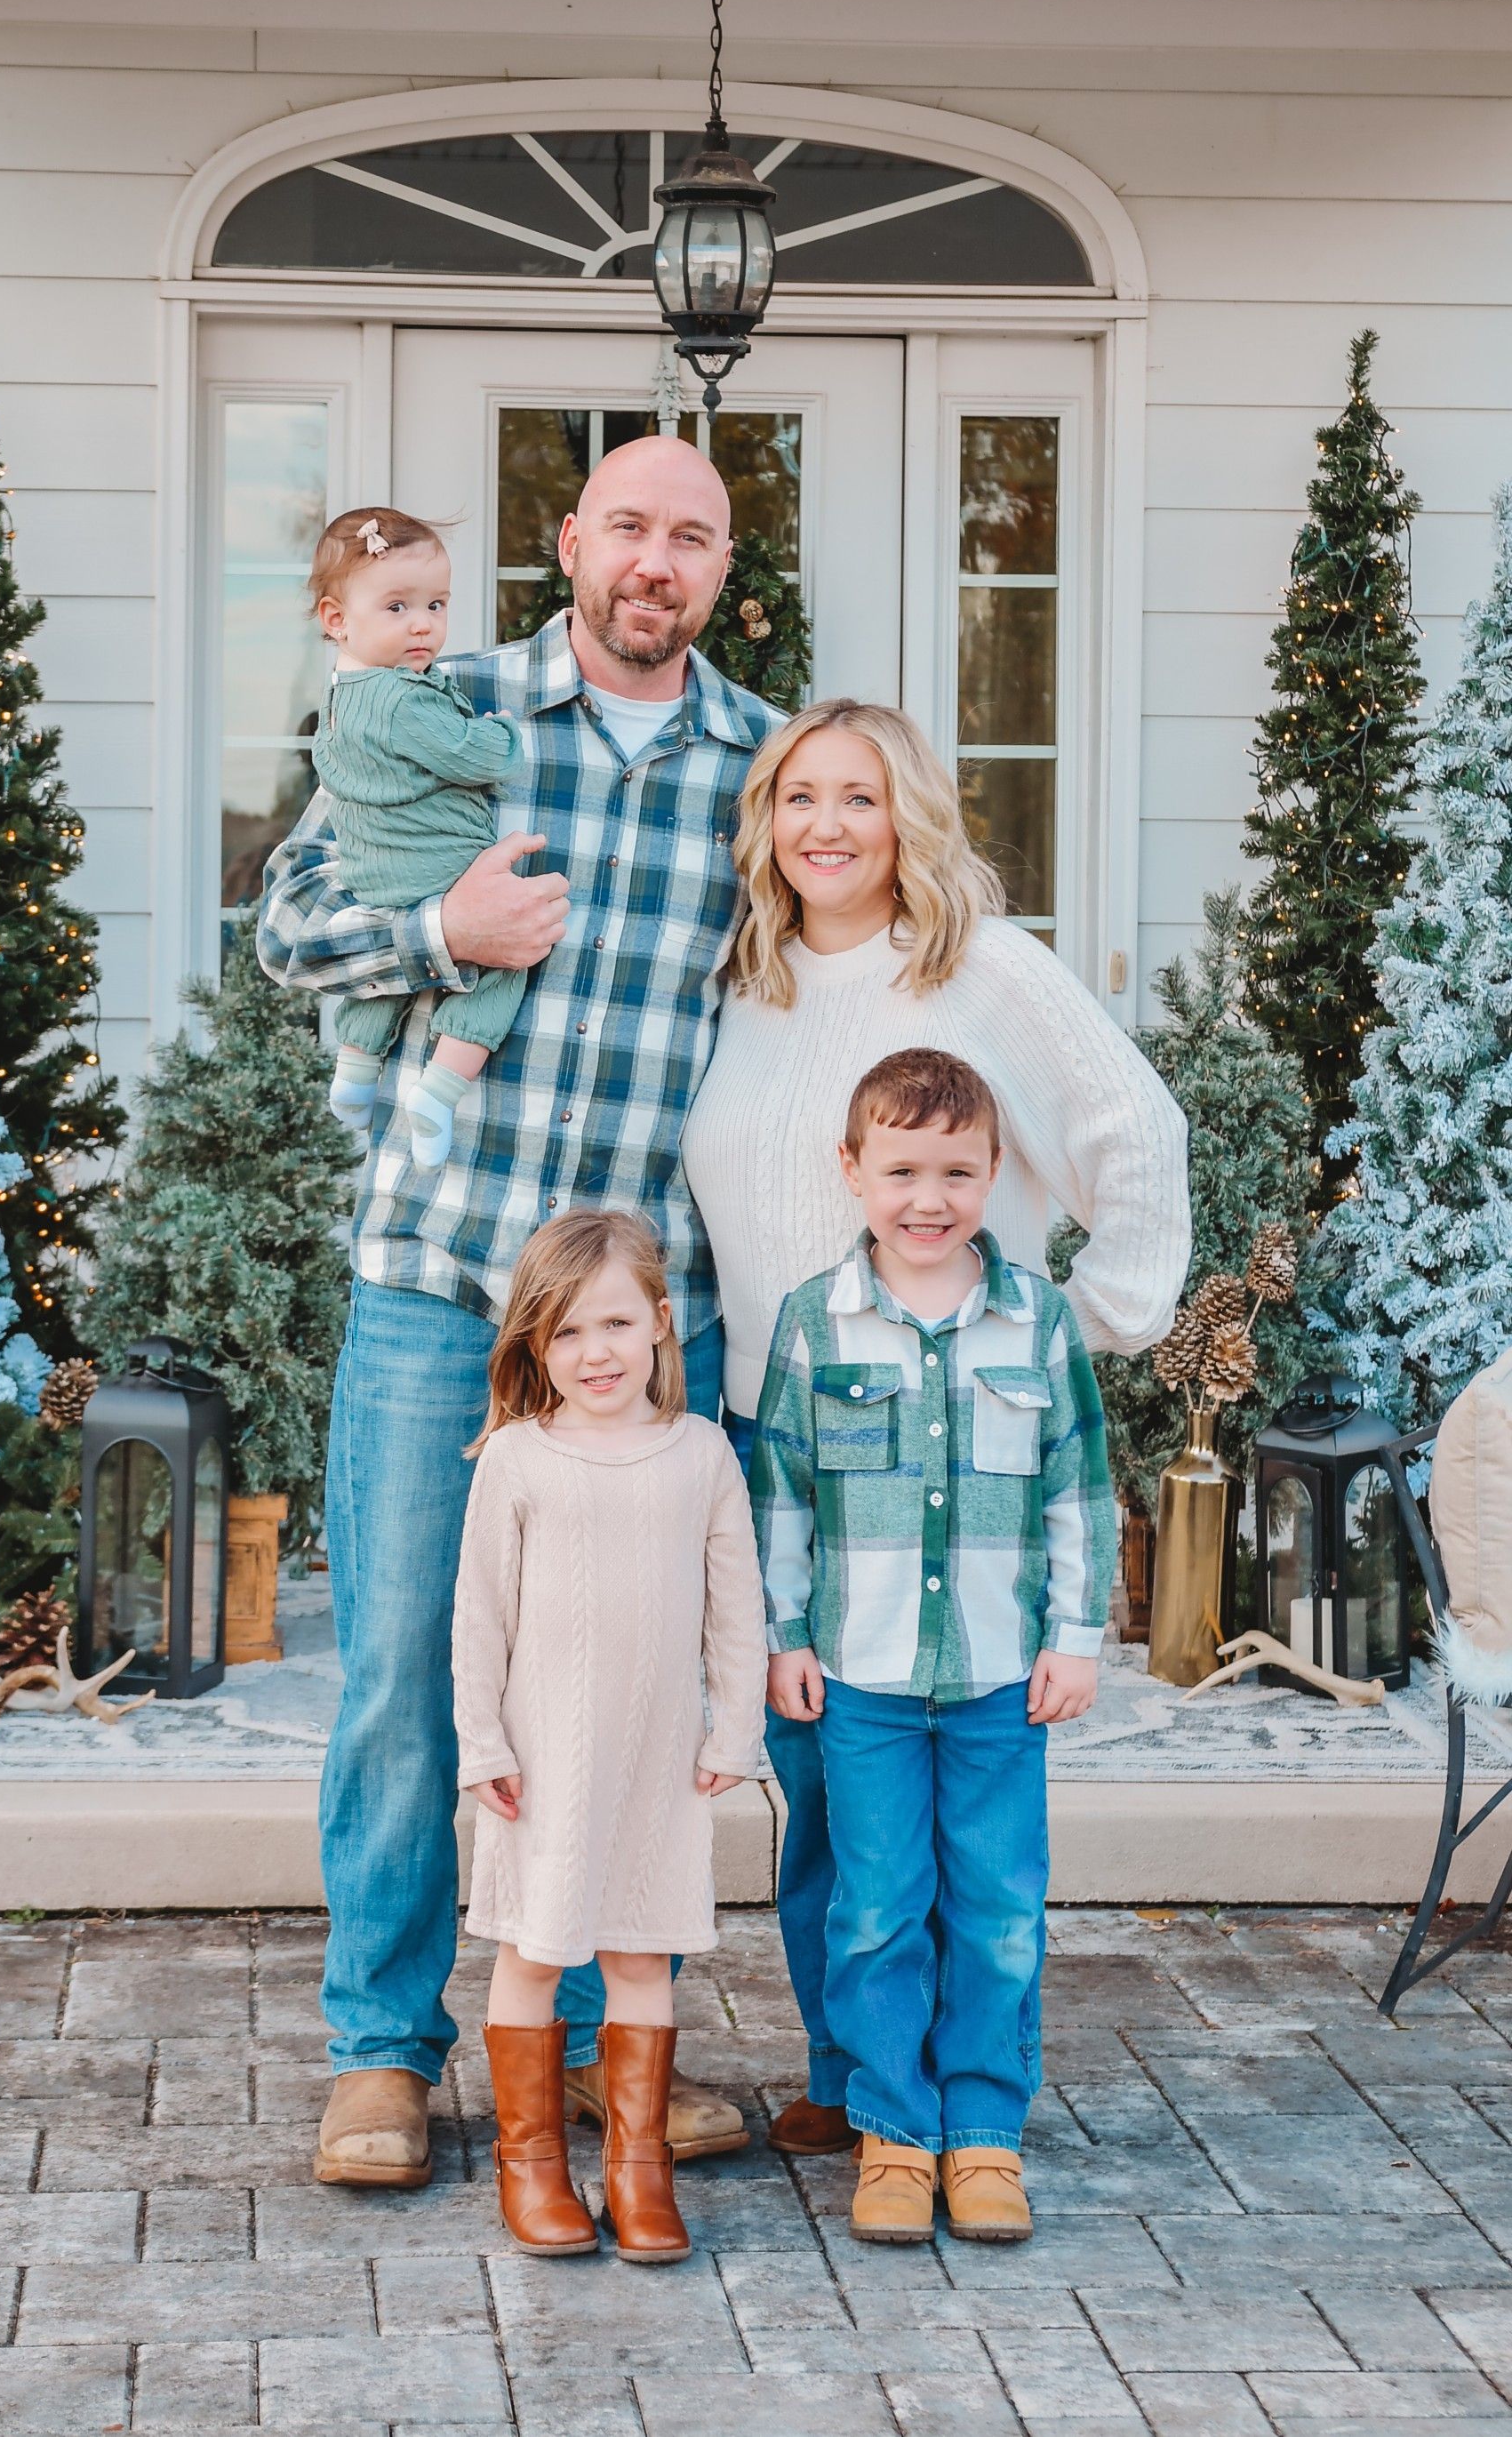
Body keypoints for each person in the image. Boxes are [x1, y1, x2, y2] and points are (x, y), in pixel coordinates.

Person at [257, 436, 782, 2191]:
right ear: (572, 542)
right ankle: (383, 2054)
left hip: (634, 1330)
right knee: (410, 1672)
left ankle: (581, 2047)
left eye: (690, 536)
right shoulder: (434, 694)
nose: (656, 559)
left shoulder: (762, 763)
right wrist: (440, 926)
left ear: (721, 566)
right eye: (627, 524)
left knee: (613, 1694)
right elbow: (288, 927)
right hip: (439, 1284)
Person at [683, 698, 1188, 2155]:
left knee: (958, 1823)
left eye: (859, 795)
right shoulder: (748, 979)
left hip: (946, 1458)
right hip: (771, 1444)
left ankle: (959, 2107)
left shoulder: (981, 970)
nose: (827, 825)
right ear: (767, 820)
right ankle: (856, 2074)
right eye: (798, 797)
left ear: (909, 813)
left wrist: (1082, 1324)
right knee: (826, 1795)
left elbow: (1135, 1130)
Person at [751, 1046, 1116, 2245]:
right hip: (860, 1679)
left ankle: (984, 2130)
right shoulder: (816, 1321)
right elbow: (786, 1496)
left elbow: (1077, 1488)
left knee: (1000, 1903)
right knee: (877, 1906)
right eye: (901, 1167)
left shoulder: (1038, 1320)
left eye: (956, 1169)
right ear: (852, 1170)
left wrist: (1075, 1637)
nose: (929, 1196)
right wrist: (783, 1635)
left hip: (1000, 1682)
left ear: (995, 1173)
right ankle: (895, 2128)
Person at [452, 1209, 766, 2261]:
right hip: (542, 1765)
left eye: (618, 1324)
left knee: (641, 1950)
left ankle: (639, 2173)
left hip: (658, 1761)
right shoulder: (516, 1461)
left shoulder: (702, 1454)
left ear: (663, 1326)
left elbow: (736, 1608)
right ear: (537, 1345)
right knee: (534, 1950)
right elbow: (479, 1615)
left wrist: (737, 1727)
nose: (597, 1353)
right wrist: (482, 1743)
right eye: (569, 1332)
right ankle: (532, 2167)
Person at [308, 506, 523, 1168]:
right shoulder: (405, 699)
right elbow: (475, 757)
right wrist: (505, 731)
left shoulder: (344, 699)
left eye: (436, 603)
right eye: (397, 606)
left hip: (375, 873)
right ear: (336, 619)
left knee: (390, 980)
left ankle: (353, 1072)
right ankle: (441, 1087)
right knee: (506, 962)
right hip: (438, 866)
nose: (424, 623)